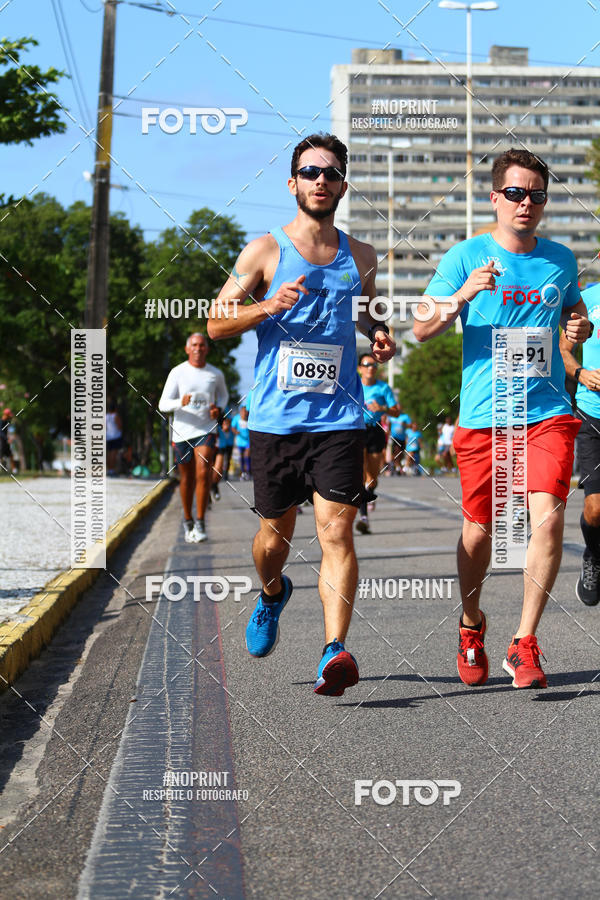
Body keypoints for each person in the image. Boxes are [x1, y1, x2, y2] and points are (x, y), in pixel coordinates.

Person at [208, 132, 396, 696]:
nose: (321, 180)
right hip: (275, 422)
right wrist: (269, 304)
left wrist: (380, 335)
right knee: (274, 538)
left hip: (338, 418)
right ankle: (271, 593)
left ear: (343, 185)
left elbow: (367, 316)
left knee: (338, 532)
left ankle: (334, 651)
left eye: (331, 173)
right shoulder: (265, 251)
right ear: (293, 184)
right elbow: (217, 323)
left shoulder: (360, 255)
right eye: (311, 172)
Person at [414, 148, 591, 689]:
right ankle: (472, 624)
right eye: (515, 193)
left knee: (550, 518)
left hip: (546, 413)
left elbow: (573, 313)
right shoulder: (466, 255)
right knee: (479, 532)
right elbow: (420, 328)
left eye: (536, 195)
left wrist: (577, 331)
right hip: (486, 415)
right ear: (495, 198)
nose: (526, 204)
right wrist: (462, 295)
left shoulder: (560, 260)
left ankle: (525, 640)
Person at [159, 333, 228, 543]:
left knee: (203, 471)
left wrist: (219, 409)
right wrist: (181, 402)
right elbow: (163, 405)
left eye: (202, 345)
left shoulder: (215, 374)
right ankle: (188, 520)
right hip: (182, 432)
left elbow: (224, 395)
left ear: (206, 349)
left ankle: (200, 521)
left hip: (206, 430)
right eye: (194, 345)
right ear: (187, 349)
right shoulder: (178, 372)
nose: (198, 348)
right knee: (187, 478)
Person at [559, 282, 600, 606]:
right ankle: (595, 556)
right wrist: (581, 373)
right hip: (593, 413)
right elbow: (563, 350)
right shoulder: (586, 298)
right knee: (595, 508)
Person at [356, 353, 399, 534]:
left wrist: (382, 408)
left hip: (375, 431)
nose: (370, 368)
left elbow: (396, 411)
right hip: (356, 430)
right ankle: (363, 516)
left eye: (374, 365)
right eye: (366, 364)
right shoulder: (353, 385)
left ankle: (369, 492)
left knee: (372, 478)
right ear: (360, 368)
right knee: (360, 471)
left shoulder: (383, 388)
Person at [213, 416, 235, 498]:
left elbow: (228, 431)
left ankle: (215, 486)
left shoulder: (220, 423)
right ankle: (211, 489)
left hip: (220, 447)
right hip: (208, 447)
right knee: (207, 470)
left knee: (218, 469)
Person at [388, 404, 411, 475]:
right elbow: (389, 424)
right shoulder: (392, 416)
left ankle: (397, 466)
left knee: (401, 452)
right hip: (394, 437)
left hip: (402, 437)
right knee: (396, 450)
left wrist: (404, 424)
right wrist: (388, 432)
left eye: (400, 408)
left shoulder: (405, 417)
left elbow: (410, 425)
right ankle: (396, 466)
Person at [231, 403, 251, 480]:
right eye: (243, 411)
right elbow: (232, 427)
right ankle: (243, 473)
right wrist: (236, 432)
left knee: (247, 455)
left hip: (248, 441)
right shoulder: (236, 418)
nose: (244, 413)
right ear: (240, 411)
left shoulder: (249, 418)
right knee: (242, 456)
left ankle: (249, 472)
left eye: (246, 411)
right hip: (240, 441)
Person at [106, 398, 123, 476]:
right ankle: (112, 470)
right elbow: (119, 426)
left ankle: (109, 470)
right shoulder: (115, 416)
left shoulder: (106, 416)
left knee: (109, 453)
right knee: (113, 453)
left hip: (108, 436)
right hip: (115, 436)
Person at [0, 408, 16, 474]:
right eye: (9, 415)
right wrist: (7, 439)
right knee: (0, 455)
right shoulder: (1, 421)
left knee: (10, 455)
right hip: (1, 441)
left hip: (5, 441)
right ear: (6, 415)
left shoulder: (6, 421)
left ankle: (14, 469)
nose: (10, 416)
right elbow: (0, 432)